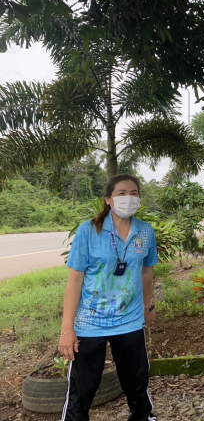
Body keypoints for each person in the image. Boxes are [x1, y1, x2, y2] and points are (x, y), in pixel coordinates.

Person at [58, 174, 158, 421]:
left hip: (130, 320)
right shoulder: (89, 230)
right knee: (82, 391)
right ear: (108, 200)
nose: (129, 198)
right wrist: (67, 329)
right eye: (122, 193)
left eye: (134, 193)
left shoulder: (145, 231)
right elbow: (75, 280)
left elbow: (146, 272)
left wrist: (148, 306)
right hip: (90, 322)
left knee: (137, 383)